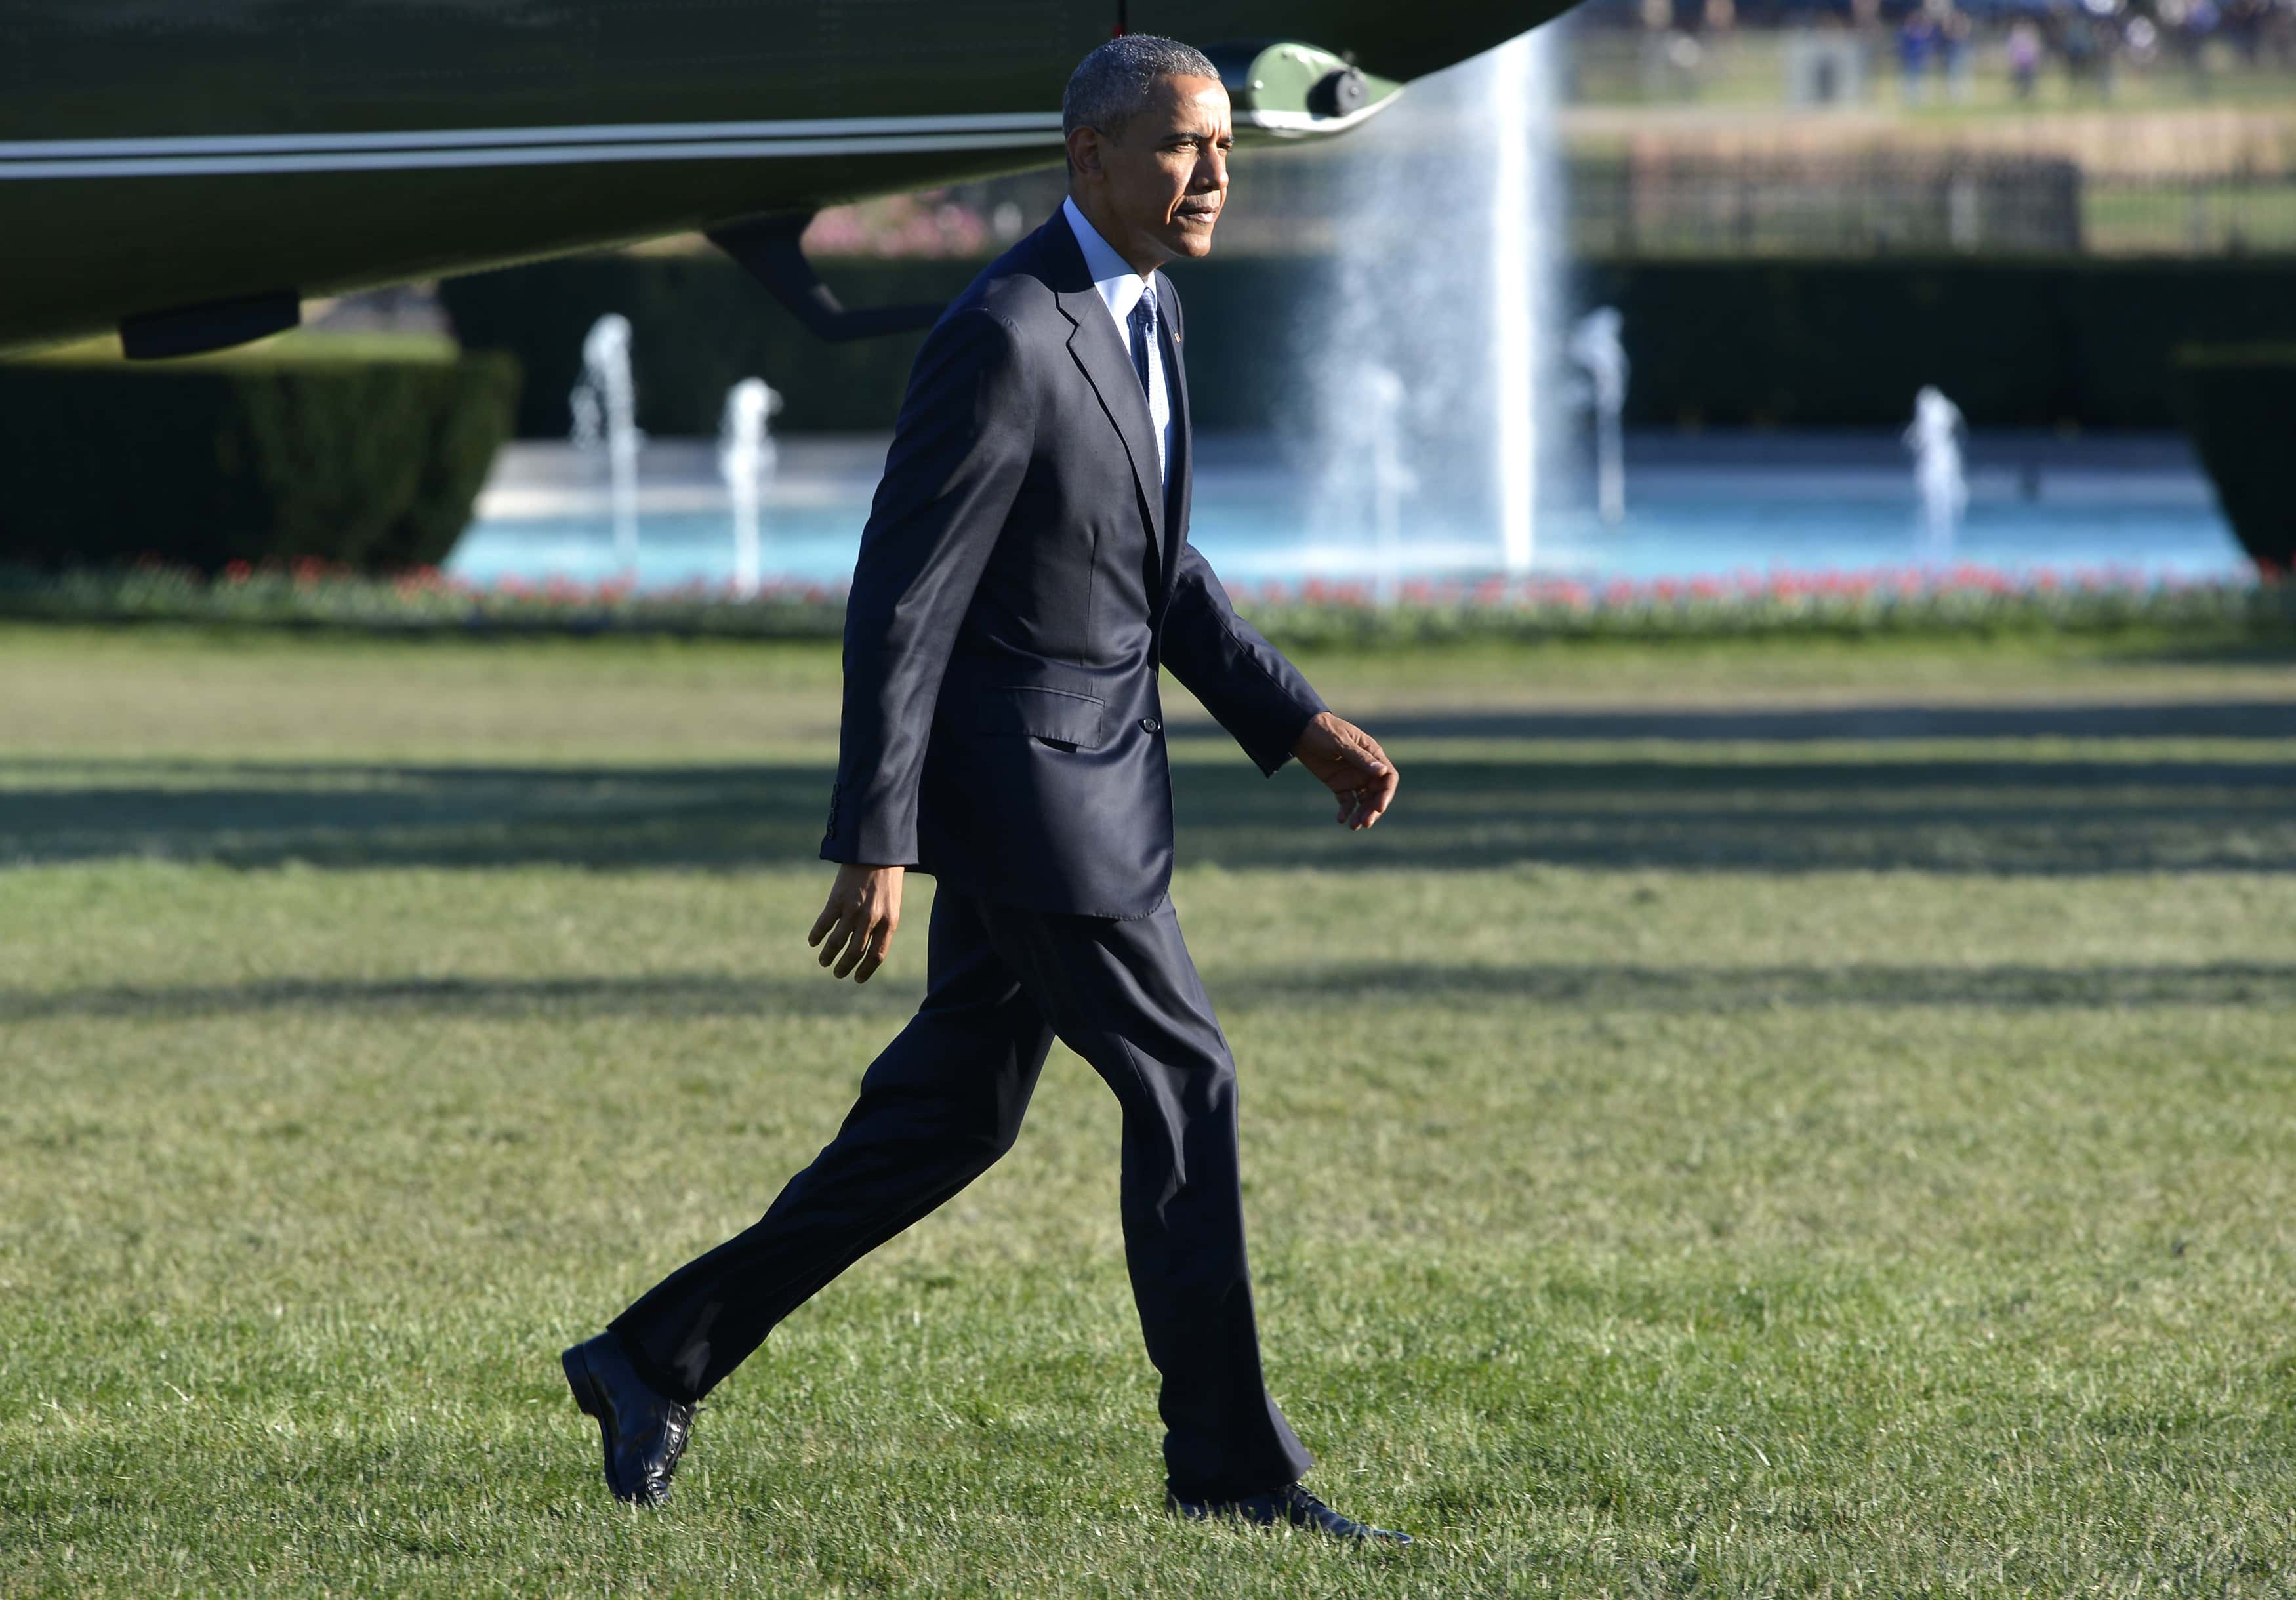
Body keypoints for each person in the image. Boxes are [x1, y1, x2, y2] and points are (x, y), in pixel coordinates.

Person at [559, 34, 1412, 1545]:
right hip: (1038, 805)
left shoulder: (1149, 309)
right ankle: (1230, 1468)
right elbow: (902, 598)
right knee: (1187, 1078)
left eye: (1223, 146)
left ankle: (649, 1356)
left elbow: (1159, 572)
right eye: (1179, 147)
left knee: (943, 1122)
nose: (1214, 172)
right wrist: (875, 833)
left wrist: (1298, 720)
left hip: (1094, 786)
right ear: (1087, 156)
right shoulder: (1007, 330)